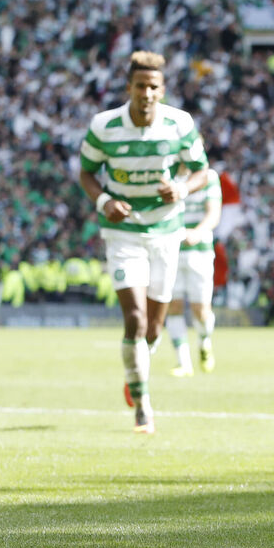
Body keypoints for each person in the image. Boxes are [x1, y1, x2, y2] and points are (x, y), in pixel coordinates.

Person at [78, 51, 209, 433]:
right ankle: (143, 406)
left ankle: (135, 370)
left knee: (153, 329)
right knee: (134, 319)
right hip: (122, 232)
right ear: (129, 88)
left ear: (162, 90)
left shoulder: (179, 124)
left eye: (153, 87)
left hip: (166, 230)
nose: (147, 93)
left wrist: (181, 188)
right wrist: (104, 201)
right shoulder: (104, 126)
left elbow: (202, 170)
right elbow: (86, 172)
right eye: (140, 86)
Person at [166, 167, 222, 377]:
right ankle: (183, 363)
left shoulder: (208, 176)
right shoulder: (168, 174)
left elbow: (213, 213)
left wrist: (198, 232)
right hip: (171, 250)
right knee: (174, 305)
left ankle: (204, 340)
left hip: (200, 252)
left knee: (201, 310)